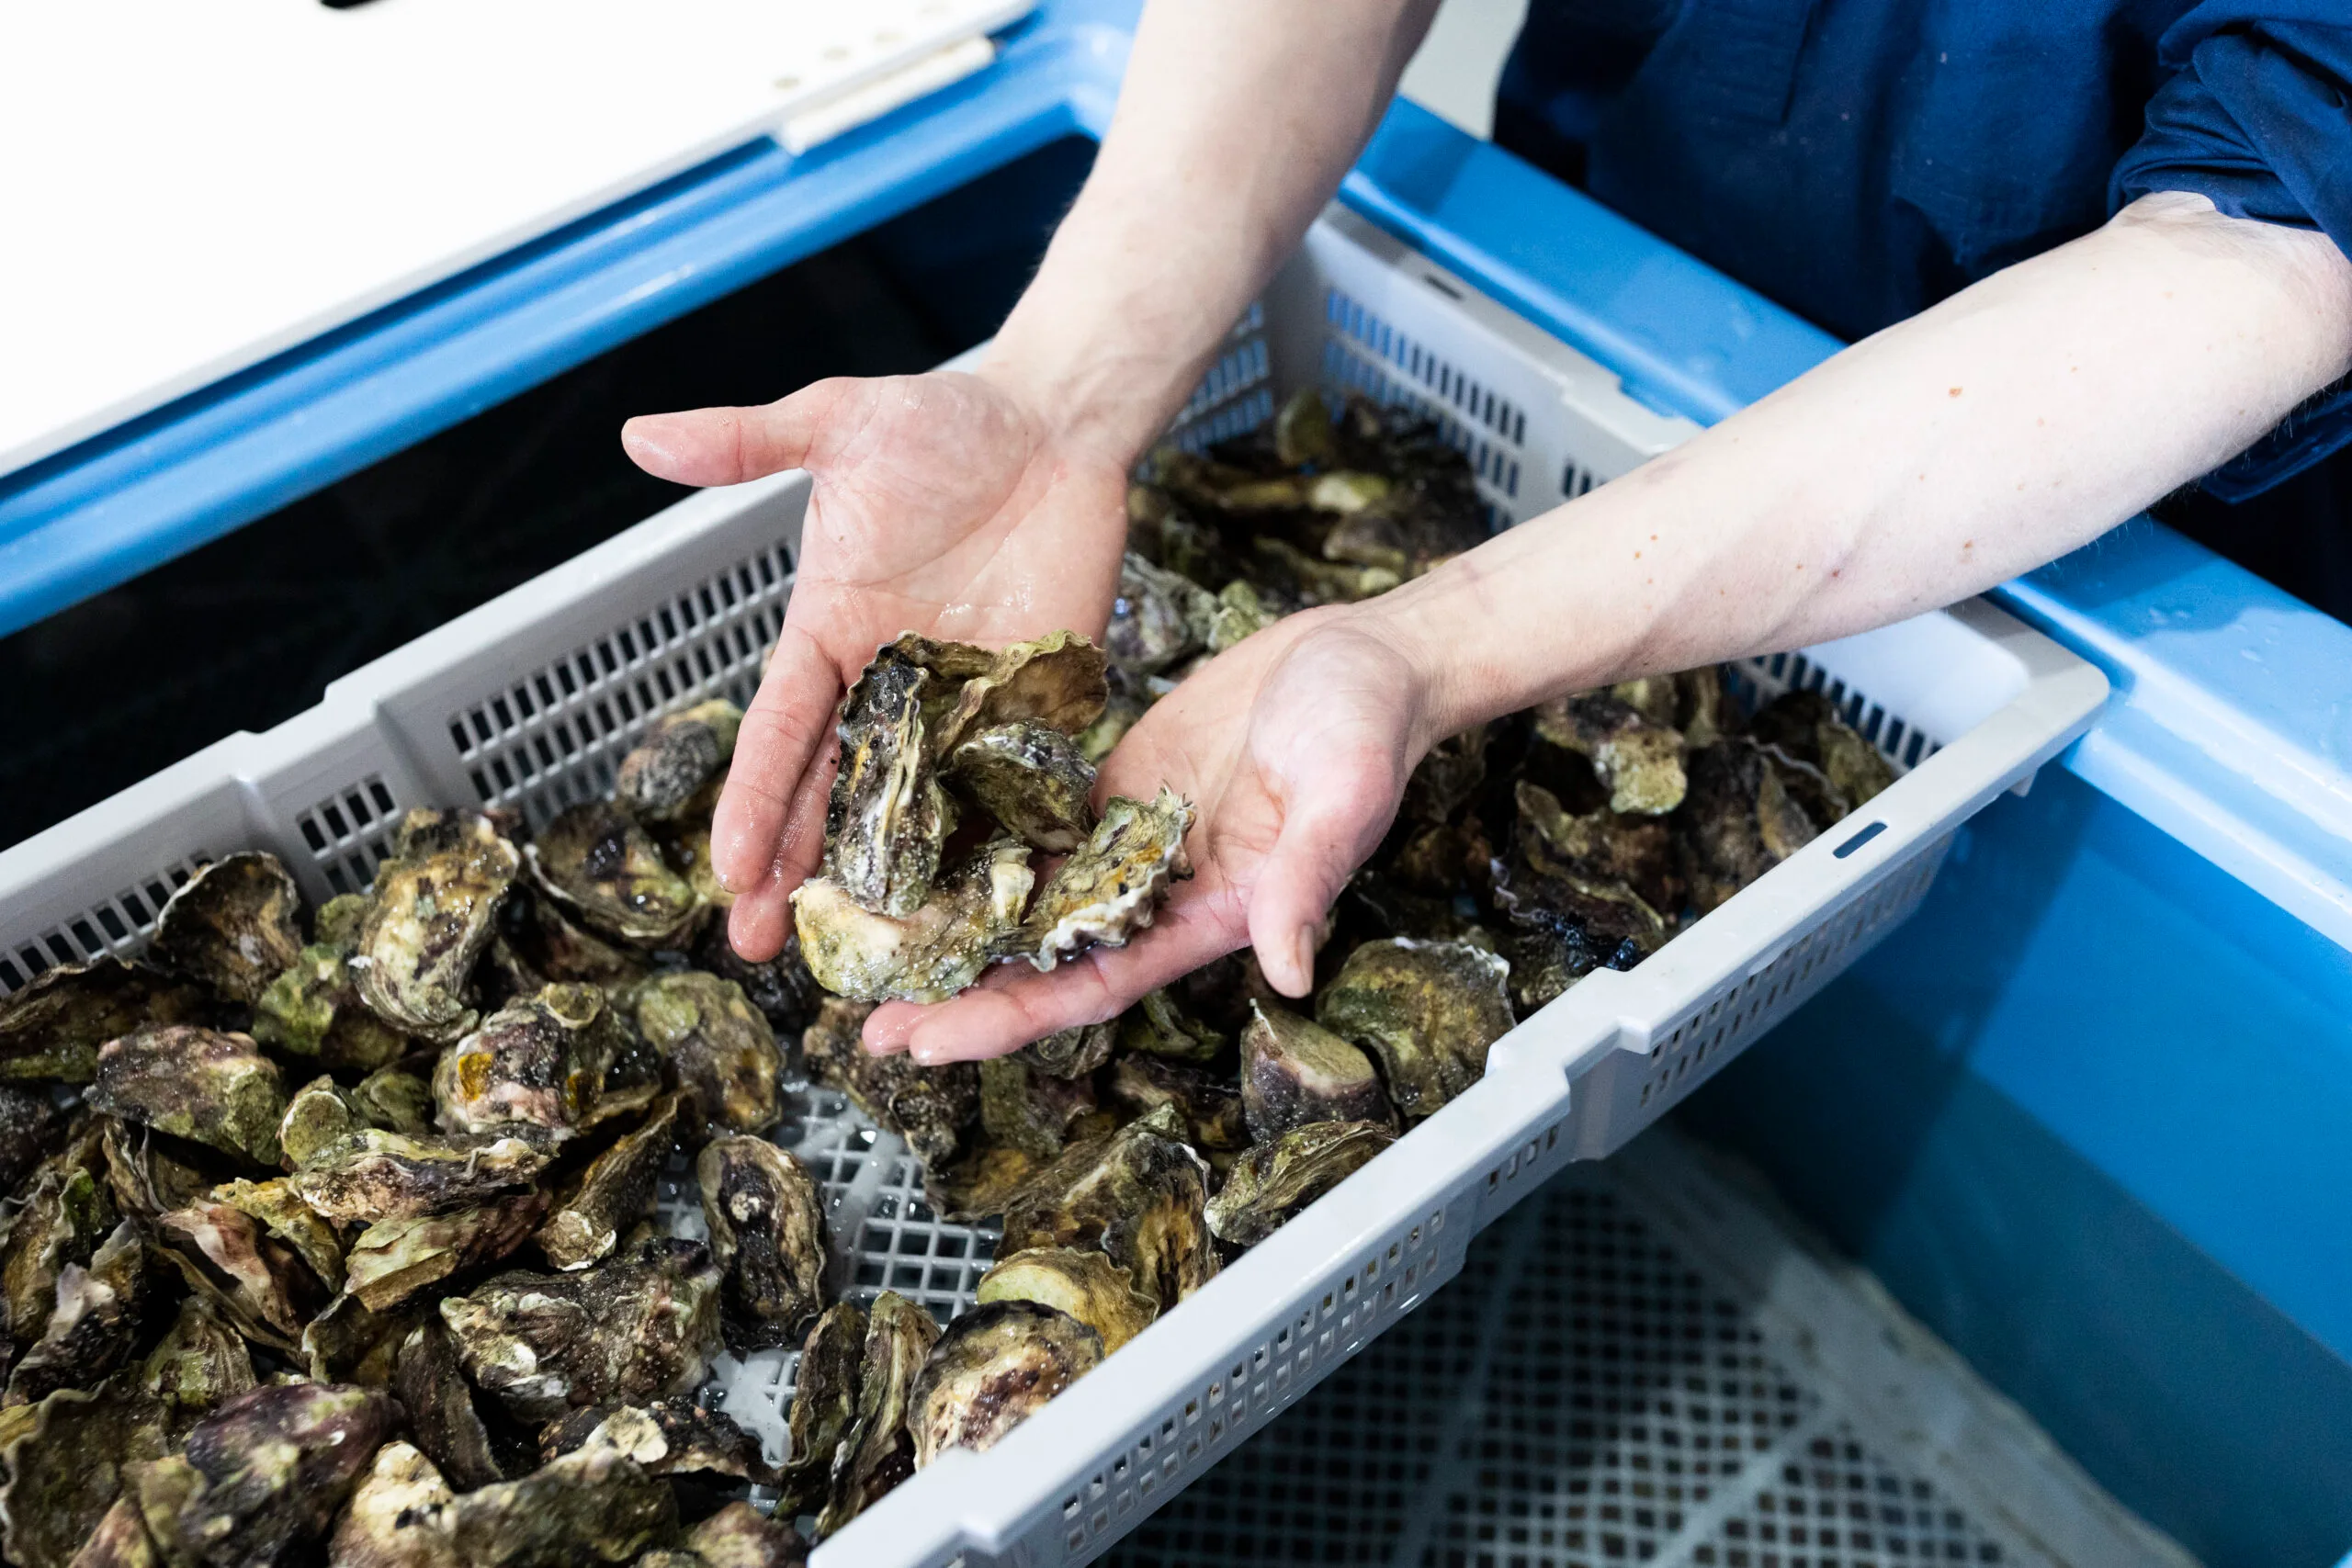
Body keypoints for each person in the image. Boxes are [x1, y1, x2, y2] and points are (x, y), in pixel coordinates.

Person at [618, 0, 2352, 1066]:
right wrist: (1063, 390)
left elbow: (2271, 240)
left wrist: (1432, 640)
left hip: (2130, 537)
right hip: (1605, 289)